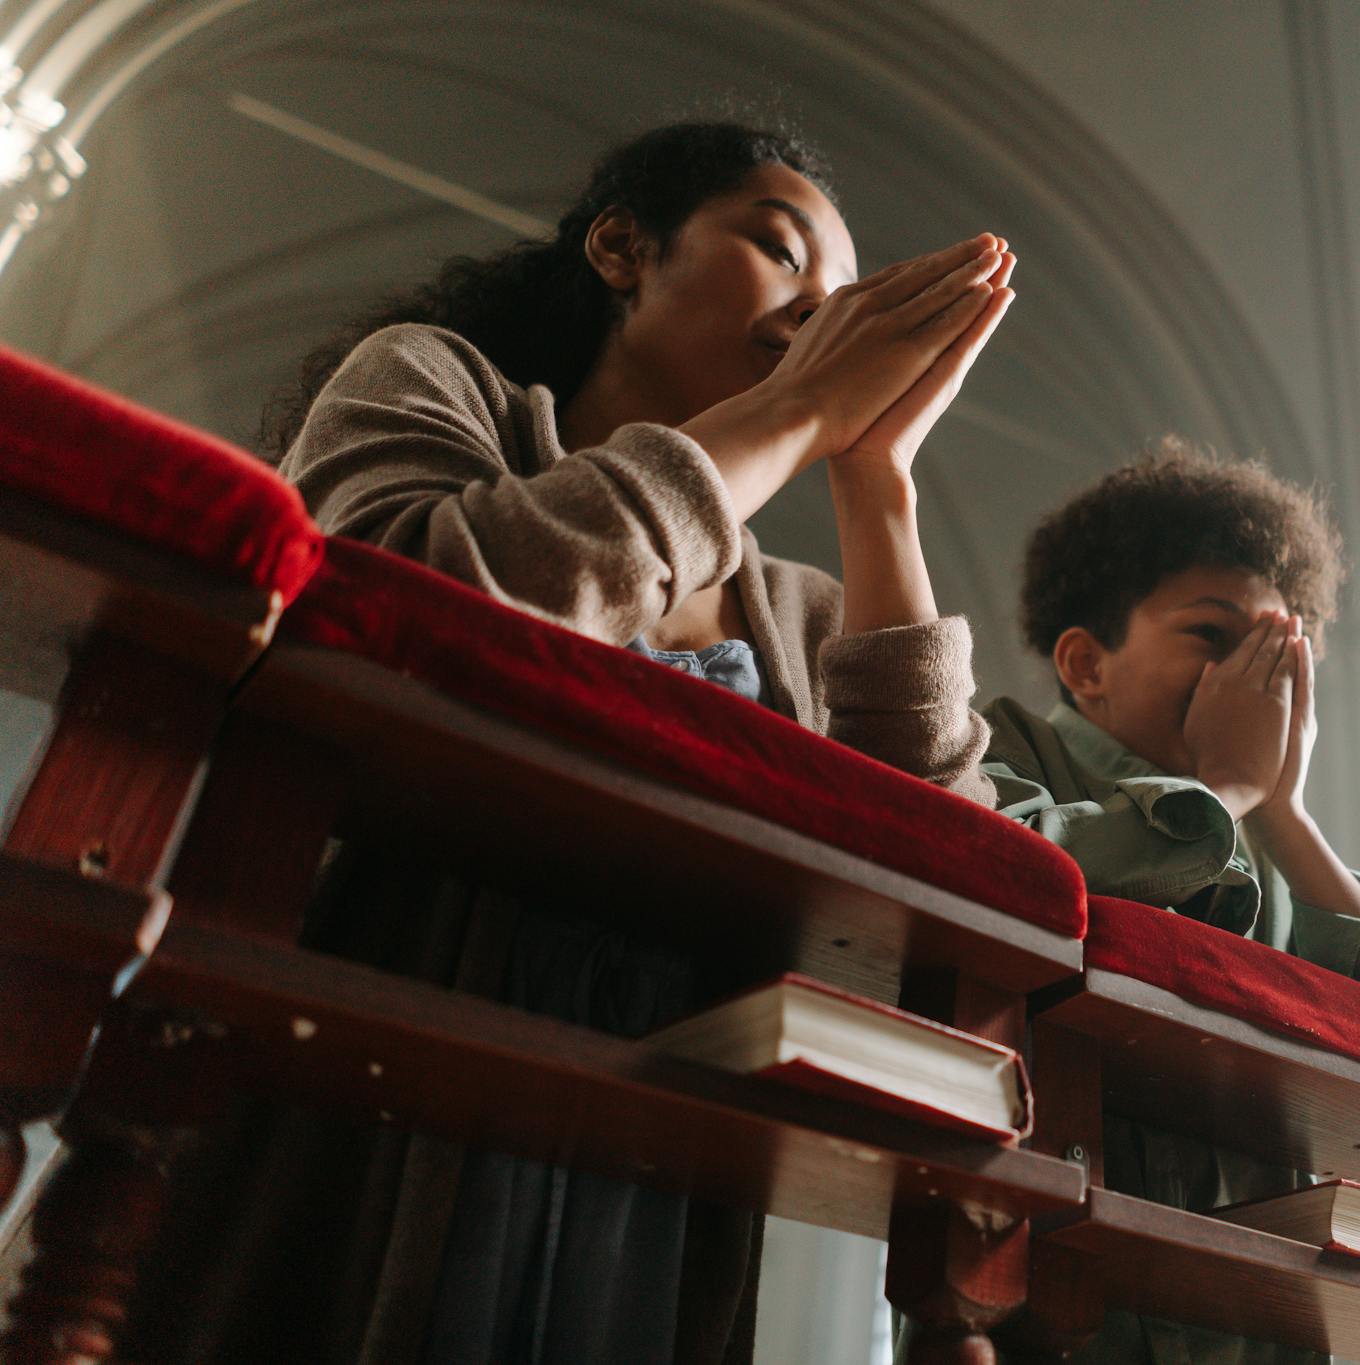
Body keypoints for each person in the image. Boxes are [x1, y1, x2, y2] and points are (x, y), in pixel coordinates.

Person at [122, 121, 1013, 1365]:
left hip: (669, 1120)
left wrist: (878, 480)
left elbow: (955, 869)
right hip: (383, 1028)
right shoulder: (435, 383)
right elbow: (418, 609)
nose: (821, 311)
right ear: (620, 246)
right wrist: (800, 404)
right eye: (779, 249)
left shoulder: (799, 608)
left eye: (840, 298)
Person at [980, 443, 1360, 1365]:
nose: (1255, 682)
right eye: (1214, 637)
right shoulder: (1002, 753)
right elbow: (1024, 875)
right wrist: (1229, 793)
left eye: (1279, 652)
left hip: (1260, 1324)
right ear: (1087, 664)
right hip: (1047, 1308)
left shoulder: (1270, 848)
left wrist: (1283, 813)